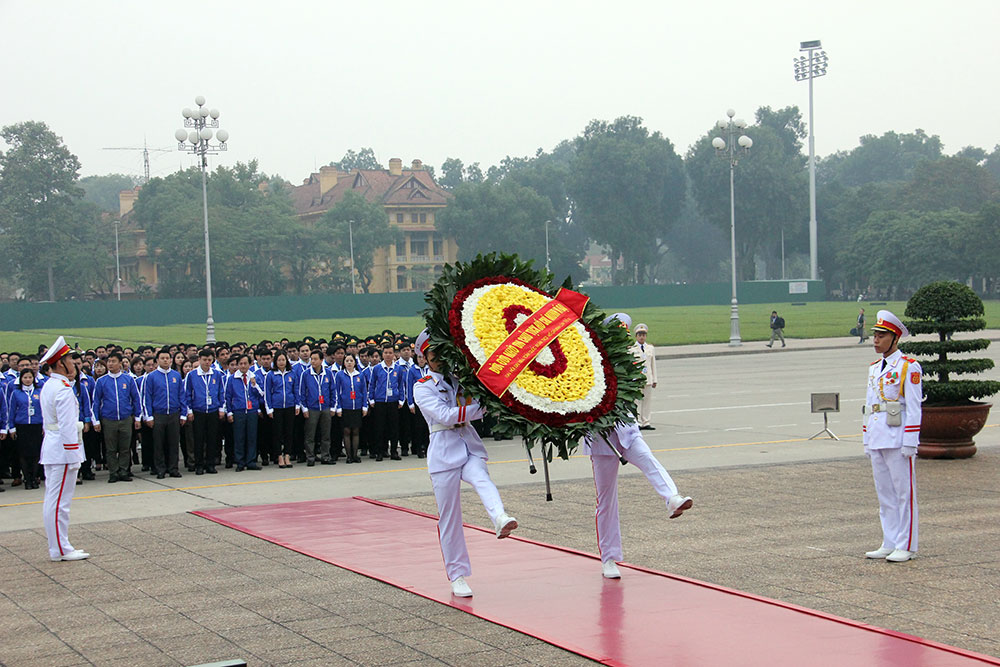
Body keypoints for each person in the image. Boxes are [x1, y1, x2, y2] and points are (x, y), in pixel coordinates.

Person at [412, 329, 517, 598]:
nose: (439, 360)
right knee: (449, 518)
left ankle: (500, 517)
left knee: (482, 478)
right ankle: (457, 575)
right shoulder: (422, 386)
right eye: (433, 355)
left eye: (442, 354)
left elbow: (478, 394)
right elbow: (445, 415)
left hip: (468, 445)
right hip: (444, 452)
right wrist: (481, 407)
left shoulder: (459, 380)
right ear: (424, 357)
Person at [587, 315, 692, 579]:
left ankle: (671, 498)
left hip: (627, 429)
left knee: (648, 459)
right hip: (602, 441)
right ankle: (609, 558)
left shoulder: (629, 359)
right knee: (606, 500)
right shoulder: (590, 358)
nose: (623, 338)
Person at [863, 310, 921, 563]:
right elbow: (869, 405)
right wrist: (866, 438)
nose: (876, 340)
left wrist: (910, 440)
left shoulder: (908, 366)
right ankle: (889, 541)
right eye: (874, 336)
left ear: (895, 338)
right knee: (885, 494)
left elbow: (915, 406)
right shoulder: (875, 368)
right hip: (878, 435)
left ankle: (906, 544)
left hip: (898, 437)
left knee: (903, 494)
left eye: (881, 336)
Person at [38, 337, 89, 561]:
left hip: (54, 447)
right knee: (59, 503)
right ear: (60, 364)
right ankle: (60, 549)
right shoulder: (62, 389)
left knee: (56, 501)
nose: (73, 363)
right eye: (69, 359)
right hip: (62, 450)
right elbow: (68, 426)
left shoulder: (52, 385)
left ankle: (60, 546)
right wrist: (74, 454)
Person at [92, 352, 142, 483]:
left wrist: (137, 418)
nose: (110, 364)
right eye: (109, 361)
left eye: (113, 361)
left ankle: (124, 470)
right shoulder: (102, 381)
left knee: (125, 448)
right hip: (109, 419)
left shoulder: (128, 379)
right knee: (111, 448)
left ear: (120, 363)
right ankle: (113, 472)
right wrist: (96, 420)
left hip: (126, 418)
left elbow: (136, 399)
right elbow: (96, 402)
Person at [142, 348, 188, 480]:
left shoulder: (176, 375)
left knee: (173, 443)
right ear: (157, 361)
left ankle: (173, 468)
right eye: (162, 358)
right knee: (159, 444)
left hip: (174, 413)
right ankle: (160, 469)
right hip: (158, 414)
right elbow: (147, 398)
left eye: (167, 358)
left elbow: (181, 395)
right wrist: (149, 416)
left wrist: (183, 414)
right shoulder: (151, 377)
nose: (165, 360)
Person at [183, 348, 226, 475]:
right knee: (199, 439)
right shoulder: (192, 375)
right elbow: (187, 395)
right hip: (198, 410)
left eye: (209, 360)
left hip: (213, 410)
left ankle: (210, 464)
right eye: (204, 360)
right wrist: (189, 411)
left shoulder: (217, 374)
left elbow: (221, 392)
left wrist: (221, 408)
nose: (207, 362)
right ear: (199, 360)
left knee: (212, 438)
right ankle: (199, 464)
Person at [226, 354, 264, 472]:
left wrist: (254, 385)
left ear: (250, 364)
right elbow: (228, 397)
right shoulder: (232, 379)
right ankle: (240, 461)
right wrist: (229, 412)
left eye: (245, 363)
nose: (243, 366)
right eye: (240, 364)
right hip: (239, 411)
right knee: (239, 437)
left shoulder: (255, 376)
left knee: (252, 436)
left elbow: (261, 394)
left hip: (252, 411)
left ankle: (251, 461)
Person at [8, 367, 44, 490]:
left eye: (30, 377)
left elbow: (45, 410)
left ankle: (34, 478)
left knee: (36, 453)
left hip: (36, 425)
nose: (28, 380)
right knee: (23, 454)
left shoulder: (39, 391)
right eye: (25, 377)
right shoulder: (16, 393)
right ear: (20, 379)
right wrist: (11, 428)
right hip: (22, 426)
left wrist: (45, 426)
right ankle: (27, 480)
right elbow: (11, 410)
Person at [298, 349, 334, 466]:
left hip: (325, 407)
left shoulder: (328, 373)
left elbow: (333, 391)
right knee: (310, 434)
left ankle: (325, 456)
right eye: (311, 359)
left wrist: (333, 407)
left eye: (315, 359)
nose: (313, 361)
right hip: (312, 408)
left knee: (326, 434)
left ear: (321, 360)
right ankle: (310, 457)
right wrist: (304, 408)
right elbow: (302, 393)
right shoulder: (306, 374)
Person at [369, 343, 403, 461]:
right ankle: (380, 452)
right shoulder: (377, 368)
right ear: (382, 354)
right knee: (379, 428)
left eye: (390, 353)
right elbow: (372, 384)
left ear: (394, 354)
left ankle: (393, 451)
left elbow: (401, 385)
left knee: (394, 428)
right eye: (386, 353)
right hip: (380, 401)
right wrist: (371, 399)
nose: (388, 355)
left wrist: (401, 399)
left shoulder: (398, 369)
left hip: (393, 401)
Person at [265, 350, 298, 469]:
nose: (281, 362)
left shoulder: (292, 373)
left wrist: (297, 405)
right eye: (279, 360)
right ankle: (279, 455)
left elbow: (296, 390)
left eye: (283, 360)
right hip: (277, 407)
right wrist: (269, 409)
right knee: (277, 433)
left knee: (289, 432)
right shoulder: (271, 375)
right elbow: (267, 393)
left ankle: (287, 455)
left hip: (290, 406)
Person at [334, 354, 367, 464]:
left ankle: (355, 455)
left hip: (357, 406)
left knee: (356, 430)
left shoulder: (360, 375)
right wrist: (338, 407)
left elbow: (363, 391)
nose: (349, 363)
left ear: (354, 362)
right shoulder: (340, 375)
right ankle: (349, 456)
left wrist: (364, 406)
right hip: (345, 406)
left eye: (351, 360)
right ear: (344, 363)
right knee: (347, 431)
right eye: (347, 360)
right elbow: (337, 392)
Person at [630, 323, 657, 430]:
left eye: (644, 335)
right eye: (639, 335)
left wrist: (655, 379)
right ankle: (637, 422)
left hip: (648, 379)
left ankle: (646, 422)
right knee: (636, 401)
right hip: (637, 379)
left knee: (647, 401)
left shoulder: (650, 348)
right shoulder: (632, 349)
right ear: (636, 336)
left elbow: (653, 365)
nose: (642, 337)